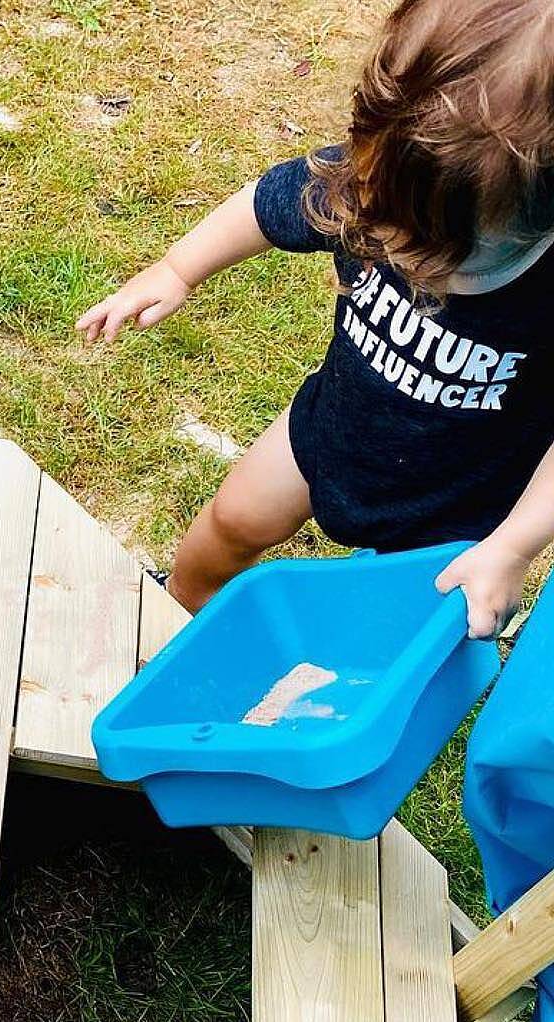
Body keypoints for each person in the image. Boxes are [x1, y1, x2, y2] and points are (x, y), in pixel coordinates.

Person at [76, 0, 554, 638]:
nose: (396, 251)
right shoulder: (378, 176)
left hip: (454, 513)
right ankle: (171, 623)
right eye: (385, 225)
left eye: (436, 246)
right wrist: (176, 270)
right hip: (329, 426)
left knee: (388, 633)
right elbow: (267, 205)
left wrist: (511, 548)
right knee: (230, 523)